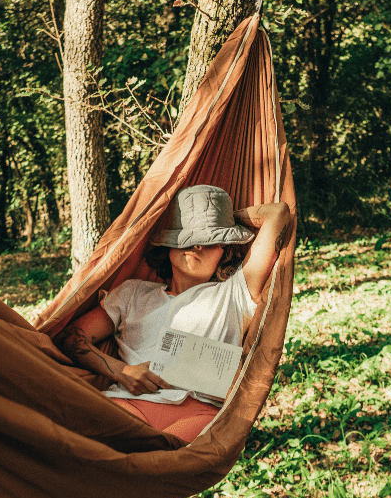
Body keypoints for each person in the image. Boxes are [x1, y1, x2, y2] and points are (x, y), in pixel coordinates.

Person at [59, 184, 290, 442]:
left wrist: (222, 217)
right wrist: (122, 372)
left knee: (160, 458)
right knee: (81, 436)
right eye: (187, 235)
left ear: (225, 250)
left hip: (198, 414)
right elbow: (72, 336)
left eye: (210, 239)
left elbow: (278, 213)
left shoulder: (235, 293)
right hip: (130, 403)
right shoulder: (132, 293)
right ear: (168, 246)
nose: (197, 246)